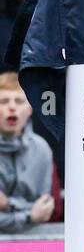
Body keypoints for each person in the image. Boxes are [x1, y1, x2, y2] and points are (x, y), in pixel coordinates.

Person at [0, 71, 55, 232]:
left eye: (18, 101)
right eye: (4, 101)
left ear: (30, 109)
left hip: (31, 245)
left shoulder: (41, 149)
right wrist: (29, 215)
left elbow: (44, 209)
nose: (12, 107)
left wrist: (7, 204)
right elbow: (34, 212)